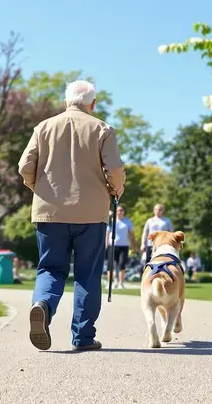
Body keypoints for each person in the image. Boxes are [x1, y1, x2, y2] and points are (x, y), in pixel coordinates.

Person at [19, 80, 126, 352]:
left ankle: (42, 304)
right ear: (92, 104)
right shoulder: (103, 129)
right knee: (87, 274)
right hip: (91, 213)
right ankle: (83, 337)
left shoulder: (43, 128)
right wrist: (116, 189)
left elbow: (24, 166)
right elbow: (114, 169)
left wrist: (38, 188)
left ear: (66, 101)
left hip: (49, 211)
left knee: (50, 268)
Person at [105, 205, 135, 289]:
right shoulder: (111, 221)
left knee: (122, 264)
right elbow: (107, 233)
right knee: (111, 265)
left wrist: (133, 245)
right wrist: (106, 244)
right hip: (113, 245)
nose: (120, 212)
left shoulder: (127, 221)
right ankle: (110, 283)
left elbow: (131, 234)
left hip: (124, 246)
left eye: (121, 210)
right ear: (116, 212)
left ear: (124, 212)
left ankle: (121, 283)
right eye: (118, 210)